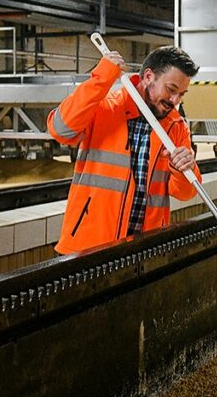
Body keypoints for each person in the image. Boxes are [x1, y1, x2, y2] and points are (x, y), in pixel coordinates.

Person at [47, 45, 201, 254]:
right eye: (171, 90)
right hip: (88, 247)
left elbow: (186, 193)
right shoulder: (105, 108)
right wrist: (102, 79)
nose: (175, 102)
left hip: (145, 250)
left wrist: (183, 168)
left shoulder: (176, 126)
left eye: (181, 94)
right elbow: (60, 130)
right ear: (148, 76)